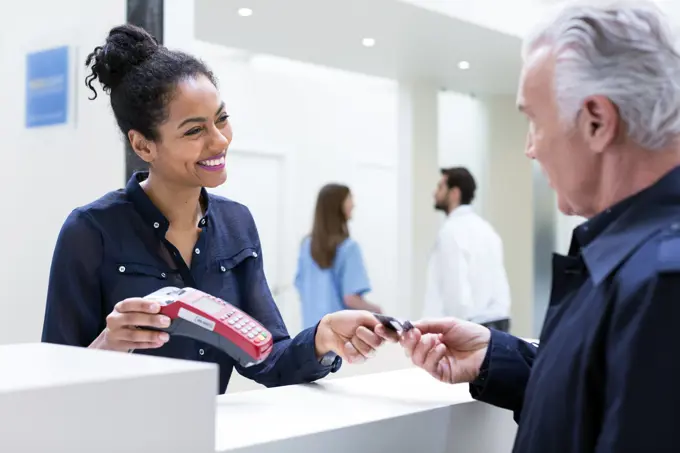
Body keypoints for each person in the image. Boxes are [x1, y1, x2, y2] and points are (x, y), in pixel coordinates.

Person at [378, 2, 680, 452]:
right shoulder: (628, 262)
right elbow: (600, 394)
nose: (530, 149)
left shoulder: (661, 286)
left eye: (535, 122)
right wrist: (493, 357)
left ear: (597, 121)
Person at [40, 24, 385, 394]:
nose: (219, 140)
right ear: (143, 146)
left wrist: (323, 336)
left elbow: (267, 358)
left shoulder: (237, 224)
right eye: (194, 131)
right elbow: (57, 382)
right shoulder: (91, 231)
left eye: (221, 119)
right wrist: (108, 344)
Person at [422, 167, 511, 331]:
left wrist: (452, 331)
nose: (435, 193)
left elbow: (455, 290)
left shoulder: (450, 232)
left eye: (441, 187)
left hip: (467, 327)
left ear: (455, 193)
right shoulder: (487, 230)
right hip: (497, 324)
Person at [295, 183, 381, 330]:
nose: (353, 204)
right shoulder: (349, 248)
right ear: (337, 205)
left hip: (311, 336)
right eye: (350, 199)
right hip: (339, 338)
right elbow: (350, 298)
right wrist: (378, 312)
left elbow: (301, 289)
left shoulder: (306, 246)